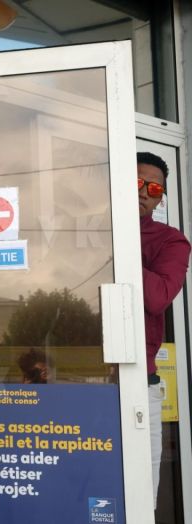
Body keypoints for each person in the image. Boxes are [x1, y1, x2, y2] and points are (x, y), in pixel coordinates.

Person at [137, 151, 190, 508]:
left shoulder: (170, 240)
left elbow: (156, 298)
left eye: (154, 187)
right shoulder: (86, 230)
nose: (144, 192)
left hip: (141, 386)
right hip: (78, 383)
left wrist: (115, 244)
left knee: (141, 499)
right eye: (136, 182)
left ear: (160, 196)